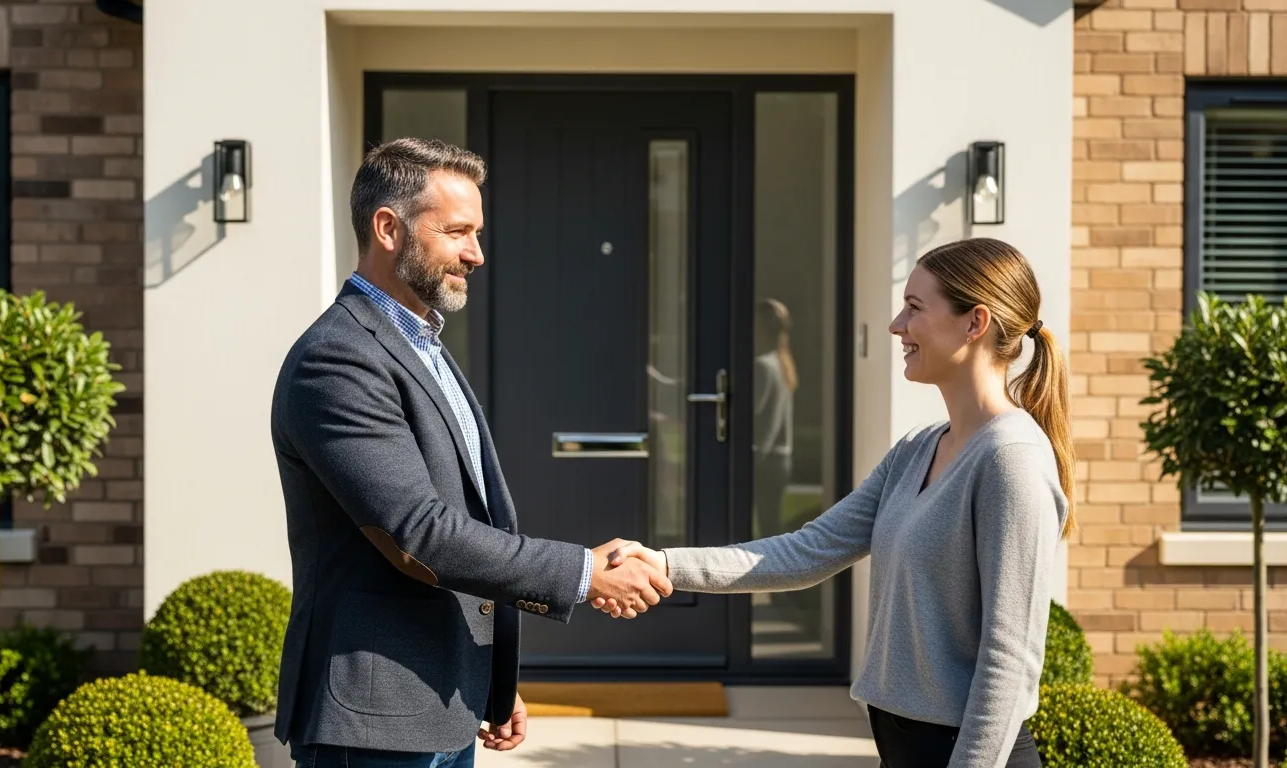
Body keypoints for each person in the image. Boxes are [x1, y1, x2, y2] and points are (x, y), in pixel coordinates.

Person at [269, 137, 672, 768]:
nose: (476, 253)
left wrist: (488, 677)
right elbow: (421, 535)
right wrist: (586, 574)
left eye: (477, 232)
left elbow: (468, 522)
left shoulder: (420, 342)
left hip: (439, 697)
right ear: (388, 228)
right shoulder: (338, 359)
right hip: (374, 721)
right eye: (457, 231)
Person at [598, 237, 1074, 768]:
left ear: (975, 322)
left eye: (915, 308)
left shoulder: (1011, 460)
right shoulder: (919, 448)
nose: (896, 326)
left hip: (968, 752)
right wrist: (664, 563)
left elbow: (1010, 659)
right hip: (902, 740)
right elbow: (809, 551)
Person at [752, 297, 797, 539]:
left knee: (767, 526)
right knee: (770, 523)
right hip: (780, 460)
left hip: (767, 460)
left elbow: (760, 418)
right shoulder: (782, 362)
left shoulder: (763, 366)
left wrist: (754, 458)